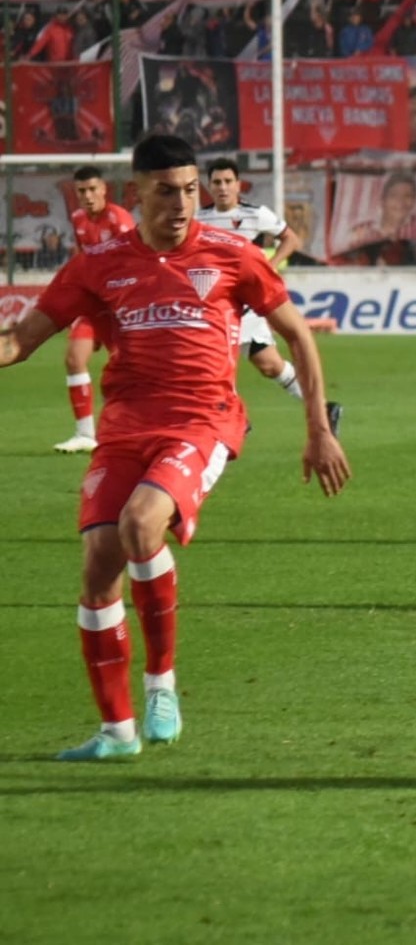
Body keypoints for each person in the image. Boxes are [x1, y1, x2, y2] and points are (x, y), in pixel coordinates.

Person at [0, 133, 351, 761]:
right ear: (136, 194)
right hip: (125, 427)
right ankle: (117, 732)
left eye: (190, 189)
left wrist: (318, 429)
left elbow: (297, 336)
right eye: (168, 191)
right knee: (96, 573)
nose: (184, 203)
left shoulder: (233, 253)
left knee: (141, 525)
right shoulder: (98, 264)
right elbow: (19, 343)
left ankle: (161, 686)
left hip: (203, 420)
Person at [197, 158, 343, 435]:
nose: (223, 187)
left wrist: (268, 267)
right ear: (209, 185)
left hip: (246, 305)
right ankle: (324, 409)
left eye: (228, 181)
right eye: (217, 182)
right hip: (217, 304)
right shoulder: (200, 219)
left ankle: (232, 416)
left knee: (213, 360)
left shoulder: (256, 214)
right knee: (270, 365)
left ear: (238, 184)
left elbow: (292, 239)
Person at [56, 166, 138, 454]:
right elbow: (82, 259)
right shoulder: (78, 219)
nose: (88, 196)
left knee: (129, 368)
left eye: (92, 189)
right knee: (74, 358)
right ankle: (85, 434)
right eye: (82, 191)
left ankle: (134, 428)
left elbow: (133, 260)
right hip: (92, 305)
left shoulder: (119, 218)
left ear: (104, 189)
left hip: (119, 306)